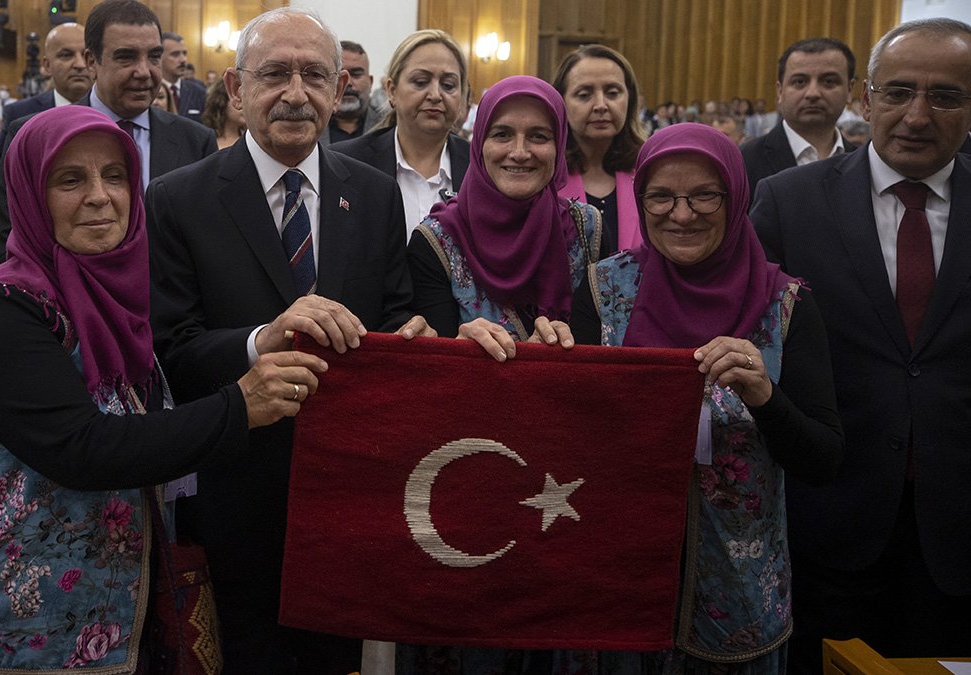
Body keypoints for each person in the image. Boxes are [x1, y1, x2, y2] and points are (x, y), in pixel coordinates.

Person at [0, 104, 326, 674]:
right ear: (30, 192)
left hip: (115, 621)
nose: (101, 196)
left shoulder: (121, 298)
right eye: (69, 179)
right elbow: (83, 448)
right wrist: (239, 406)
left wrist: (262, 341)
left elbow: (166, 391)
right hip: (5, 631)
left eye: (115, 176)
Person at [145, 7, 433, 671]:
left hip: (350, 490)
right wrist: (259, 343)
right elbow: (172, 349)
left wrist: (409, 340)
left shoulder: (376, 194)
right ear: (236, 89)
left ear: (340, 91)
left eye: (315, 75)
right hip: (235, 490)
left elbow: (392, 316)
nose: (296, 92)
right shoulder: (177, 199)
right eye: (275, 73)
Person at [559, 123, 843, 674]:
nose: (681, 214)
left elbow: (823, 458)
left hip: (736, 598)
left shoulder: (785, 307)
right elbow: (570, 431)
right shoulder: (601, 290)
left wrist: (765, 396)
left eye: (704, 196)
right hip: (613, 585)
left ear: (735, 198)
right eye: (661, 196)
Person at [751, 17, 971, 672]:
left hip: (959, 530)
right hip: (829, 519)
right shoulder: (788, 203)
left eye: (946, 96)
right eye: (899, 92)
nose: (918, 114)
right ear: (866, 100)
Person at [398, 75, 600, 674]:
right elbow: (429, 366)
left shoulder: (585, 228)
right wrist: (456, 347)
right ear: (478, 142)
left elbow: (594, 350)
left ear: (559, 147)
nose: (520, 151)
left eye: (539, 136)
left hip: (560, 477)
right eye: (503, 134)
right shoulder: (436, 239)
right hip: (468, 476)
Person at [0, 0, 217, 267]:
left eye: (154, 56)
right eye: (126, 57)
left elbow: (206, 243)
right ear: (91, 62)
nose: (144, 72)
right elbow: (7, 239)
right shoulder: (35, 135)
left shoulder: (196, 141)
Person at [331, 29, 471, 241]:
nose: (435, 95)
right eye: (421, 82)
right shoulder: (345, 163)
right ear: (392, 91)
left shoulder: (480, 165)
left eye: (448, 85)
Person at [552, 44, 647, 256]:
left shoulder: (649, 172)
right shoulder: (545, 177)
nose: (601, 105)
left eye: (613, 93)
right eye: (584, 95)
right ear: (561, 103)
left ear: (629, 100)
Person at [741, 38, 858, 197]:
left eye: (828, 81)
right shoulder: (743, 161)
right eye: (800, 82)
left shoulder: (863, 163)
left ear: (850, 91)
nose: (812, 93)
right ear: (780, 91)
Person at [0, 23, 91, 128]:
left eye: (86, 55)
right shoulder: (19, 114)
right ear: (47, 65)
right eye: (66, 55)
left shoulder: (111, 110)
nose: (80, 64)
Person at [320, 40, 382, 143]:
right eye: (340, 76)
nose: (347, 82)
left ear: (370, 82)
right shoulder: (309, 125)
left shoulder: (389, 126)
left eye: (356, 74)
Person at [161, 30, 207, 121]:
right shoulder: (149, 92)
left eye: (184, 53)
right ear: (159, 57)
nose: (183, 60)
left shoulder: (199, 92)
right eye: (175, 54)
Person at [199, 79, 244, 149]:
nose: (244, 106)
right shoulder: (204, 141)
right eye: (239, 99)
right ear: (222, 102)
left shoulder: (253, 140)